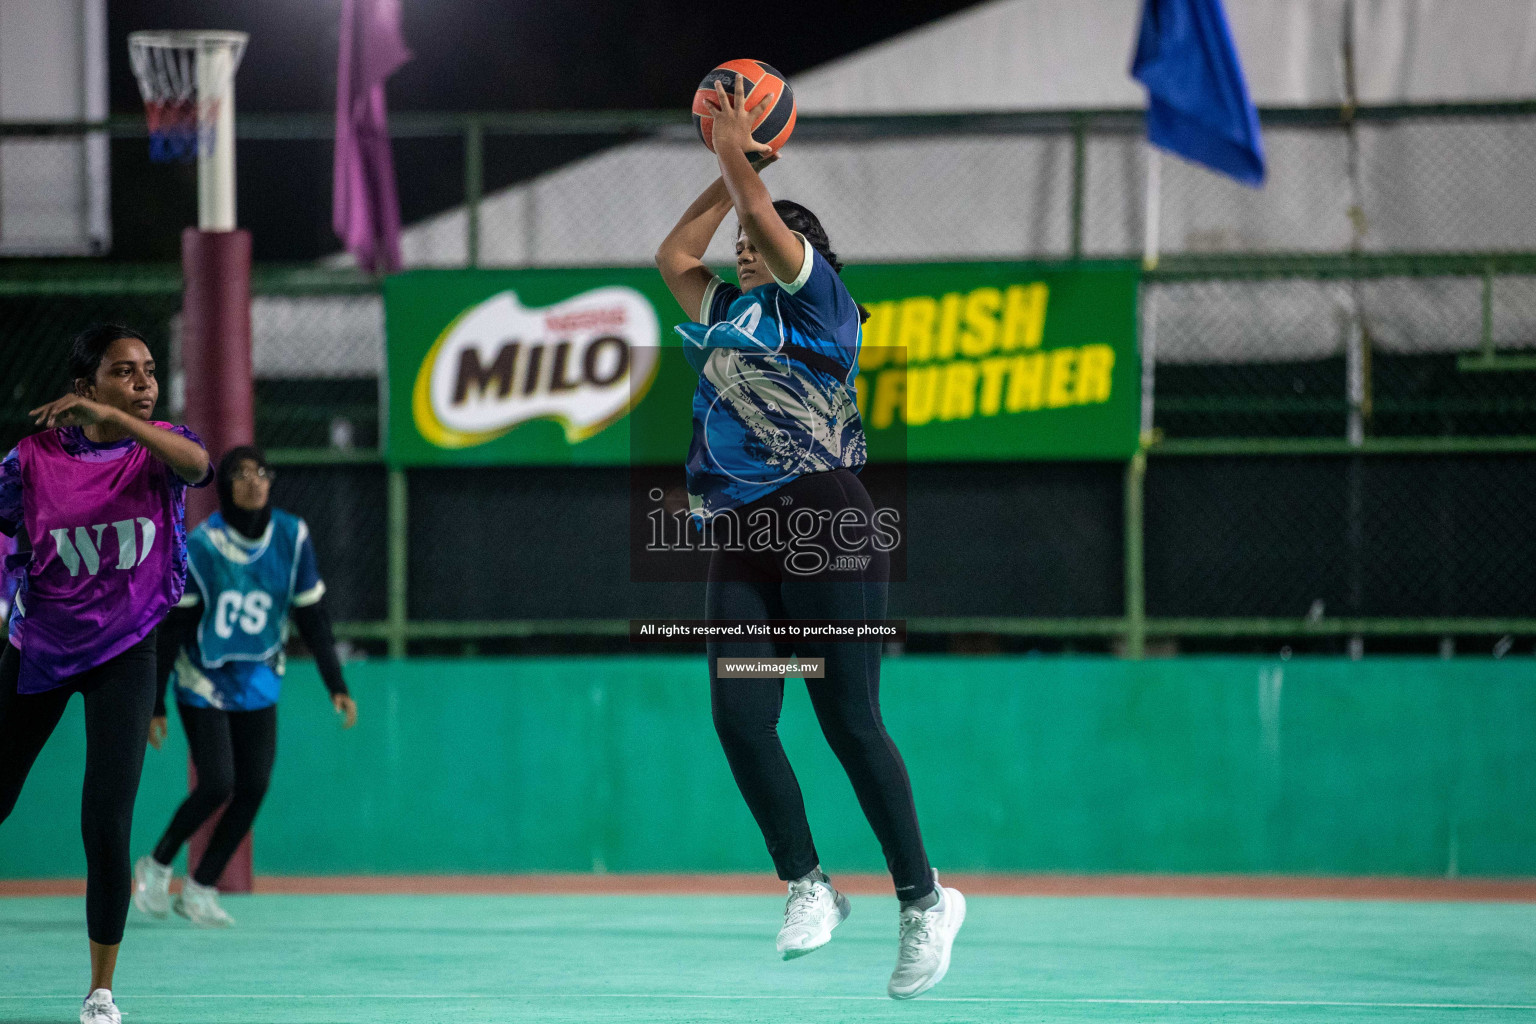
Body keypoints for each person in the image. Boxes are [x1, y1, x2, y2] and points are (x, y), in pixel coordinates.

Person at [655, 76, 964, 1000]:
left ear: (802, 253)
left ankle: (923, 900)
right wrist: (729, 169)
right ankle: (809, 884)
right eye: (742, 240)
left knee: (848, 720)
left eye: (760, 239)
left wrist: (744, 166)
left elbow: (766, 217)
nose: (742, 245)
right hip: (743, 537)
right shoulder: (730, 312)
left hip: (822, 518)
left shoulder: (820, 302)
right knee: (741, 715)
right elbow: (674, 253)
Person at [0, 324, 212, 1024]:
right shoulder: (30, 460)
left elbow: (197, 466)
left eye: (149, 370)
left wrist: (117, 419)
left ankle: (100, 994)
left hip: (126, 649)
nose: (145, 382)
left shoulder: (160, 450)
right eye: (124, 372)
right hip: (41, 646)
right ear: (84, 383)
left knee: (106, 822)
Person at [133, 445, 357, 927]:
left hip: (259, 678)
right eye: (241, 474)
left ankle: (200, 888)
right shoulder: (203, 547)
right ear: (225, 487)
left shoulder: (292, 537)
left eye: (262, 472)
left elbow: (311, 615)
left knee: (253, 785)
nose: (254, 481)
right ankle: (156, 865)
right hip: (204, 679)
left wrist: (335, 682)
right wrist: (155, 703)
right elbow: (173, 628)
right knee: (218, 782)